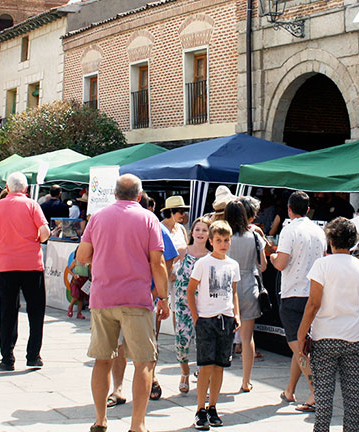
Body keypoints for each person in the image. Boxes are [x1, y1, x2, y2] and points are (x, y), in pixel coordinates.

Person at [76, 174, 169, 432]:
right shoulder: (149, 219)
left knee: (102, 359)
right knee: (143, 362)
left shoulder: (97, 218)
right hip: (136, 299)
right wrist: (163, 297)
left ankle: (99, 420)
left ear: (114, 194)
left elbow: (82, 257)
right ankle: (137, 425)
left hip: (103, 297)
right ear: (139, 196)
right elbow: (158, 263)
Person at [297, 217, 359, 432]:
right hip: (354, 337)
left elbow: (313, 304)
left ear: (330, 240)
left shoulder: (321, 265)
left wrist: (302, 334)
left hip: (325, 336)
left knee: (323, 396)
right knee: (353, 395)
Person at [0, 172, 50, 371]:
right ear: (25, 189)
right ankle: (33, 355)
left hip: (6, 264)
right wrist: (38, 240)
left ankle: (7, 358)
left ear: (7, 188)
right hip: (31, 264)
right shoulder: (32, 205)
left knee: (8, 312)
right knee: (36, 311)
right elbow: (45, 231)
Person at [269, 190, 325, 411]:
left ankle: (316, 392)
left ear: (289, 209)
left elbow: (281, 263)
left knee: (298, 346)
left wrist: (272, 256)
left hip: (293, 293)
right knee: (300, 345)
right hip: (314, 293)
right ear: (308, 209)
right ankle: (290, 390)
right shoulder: (319, 231)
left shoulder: (289, 229)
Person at [188, 219, 241, 430]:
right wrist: (196, 318)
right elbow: (190, 291)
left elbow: (233, 292)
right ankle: (200, 408)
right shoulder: (203, 263)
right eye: (219, 240)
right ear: (211, 241)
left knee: (220, 366)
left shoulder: (233, 265)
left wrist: (236, 314)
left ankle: (213, 406)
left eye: (226, 240)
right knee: (205, 366)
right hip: (206, 319)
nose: (223, 244)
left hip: (225, 318)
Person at [224, 198, 267, 393]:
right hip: (249, 285)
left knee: (223, 336)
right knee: (248, 337)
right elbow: (263, 266)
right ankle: (246, 380)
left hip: (226, 287)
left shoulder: (223, 237)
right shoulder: (254, 236)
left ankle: (215, 379)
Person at [172, 216, 211, 394]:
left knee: (204, 343)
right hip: (183, 305)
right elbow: (166, 269)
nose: (200, 233)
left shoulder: (211, 256)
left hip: (204, 306)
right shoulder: (182, 251)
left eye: (204, 230)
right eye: (198, 229)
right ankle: (185, 372)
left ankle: (203, 375)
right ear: (192, 232)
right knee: (182, 342)